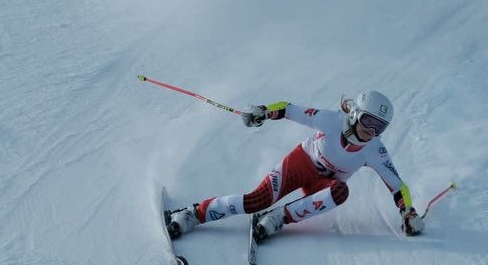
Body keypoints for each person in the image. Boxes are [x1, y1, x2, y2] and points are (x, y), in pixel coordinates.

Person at [166, 90, 424, 242]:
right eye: (368, 121)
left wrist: (408, 213)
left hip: (321, 185)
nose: (372, 131)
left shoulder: (375, 150)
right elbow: (289, 110)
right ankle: (194, 213)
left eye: (380, 127)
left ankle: (279, 217)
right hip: (299, 164)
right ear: (355, 113)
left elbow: (397, 186)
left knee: (340, 192)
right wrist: (264, 111)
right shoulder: (332, 121)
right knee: (256, 201)